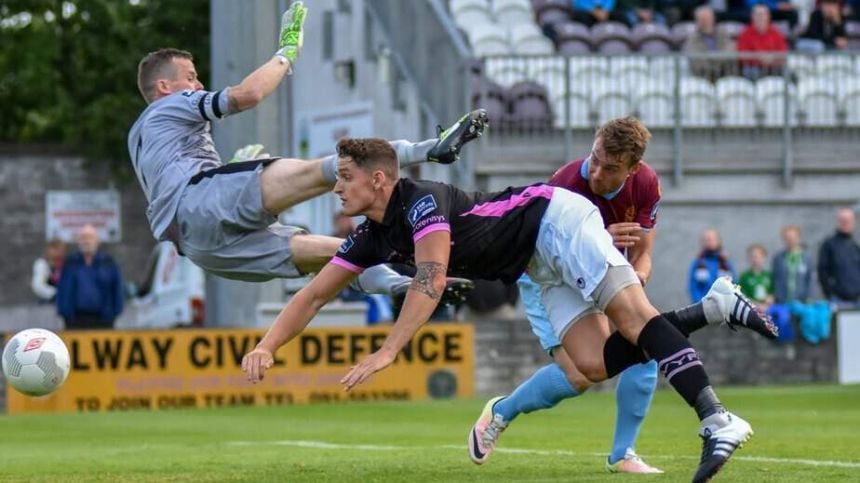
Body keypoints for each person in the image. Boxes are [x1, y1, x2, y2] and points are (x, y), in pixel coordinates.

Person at [243, 138, 765, 483]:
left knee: (632, 317)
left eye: (345, 177)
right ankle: (712, 308)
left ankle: (715, 418)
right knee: (591, 365)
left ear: (378, 180)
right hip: (536, 264)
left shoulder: (420, 199)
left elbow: (431, 278)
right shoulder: (371, 234)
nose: (336, 186)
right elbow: (314, 294)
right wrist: (267, 344)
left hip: (553, 219)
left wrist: (388, 350)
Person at [468, 118, 775, 474]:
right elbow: (550, 250)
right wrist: (596, 240)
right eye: (594, 158)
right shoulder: (566, 184)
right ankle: (502, 411)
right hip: (548, 278)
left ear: (632, 169)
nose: (596, 172)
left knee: (644, 348)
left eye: (610, 167)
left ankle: (623, 453)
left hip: (605, 272)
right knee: (580, 375)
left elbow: (643, 251)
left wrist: (636, 281)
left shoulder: (647, 183)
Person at [128, 2, 481, 301]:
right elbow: (246, 96)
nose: (198, 84)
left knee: (342, 256)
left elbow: (171, 186)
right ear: (164, 86)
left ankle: (403, 286)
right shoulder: (173, 104)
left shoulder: (139, 135)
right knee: (329, 170)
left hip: (200, 248)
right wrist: (285, 53)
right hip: (202, 202)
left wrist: (231, 168)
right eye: (190, 77)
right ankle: (430, 149)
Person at [56, 225, 124, 329]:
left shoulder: (108, 263)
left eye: (90, 237)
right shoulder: (70, 263)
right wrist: (64, 312)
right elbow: (62, 289)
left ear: (97, 241)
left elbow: (117, 289)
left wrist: (115, 313)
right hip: (75, 320)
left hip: (103, 319)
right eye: (83, 238)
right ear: (78, 241)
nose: (86, 241)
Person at [818, 208, 860, 309]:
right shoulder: (829, 245)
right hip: (838, 300)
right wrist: (830, 294)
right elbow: (822, 271)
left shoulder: (855, 246)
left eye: (849, 220)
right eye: (843, 220)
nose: (846, 223)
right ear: (838, 222)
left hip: (857, 300)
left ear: (854, 222)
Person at [737, 5, 789, 80]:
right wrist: (759, 59)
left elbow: (783, 53)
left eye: (763, 14)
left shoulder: (776, 33)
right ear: (752, 17)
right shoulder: (745, 33)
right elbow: (742, 56)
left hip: (773, 66)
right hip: (754, 67)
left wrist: (772, 59)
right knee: (751, 72)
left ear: (768, 16)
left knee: (787, 72)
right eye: (758, 15)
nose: (760, 17)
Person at [685, 6, 736, 80]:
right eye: (702, 19)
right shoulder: (692, 38)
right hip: (703, 75)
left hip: (725, 72)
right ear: (697, 21)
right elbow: (696, 58)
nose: (705, 22)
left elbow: (729, 50)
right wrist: (713, 67)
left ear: (713, 19)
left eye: (707, 19)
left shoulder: (723, 33)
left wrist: (717, 63)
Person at [689, 228, 735, 303]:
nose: (710, 242)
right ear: (702, 242)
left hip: (724, 306)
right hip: (701, 306)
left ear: (719, 241)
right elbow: (693, 287)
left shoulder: (726, 263)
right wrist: (701, 304)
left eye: (712, 239)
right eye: (707, 239)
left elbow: (734, 284)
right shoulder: (698, 263)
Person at [31, 238, 66, 303]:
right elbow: (38, 286)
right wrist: (56, 294)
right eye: (55, 249)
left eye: (60, 249)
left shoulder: (65, 264)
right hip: (48, 301)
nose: (58, 252)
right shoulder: (42, 264)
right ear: (49, 249)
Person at [739, 243, 773, 307]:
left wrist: (770, 299)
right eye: (752, 257)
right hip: (751, 308)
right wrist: (755, 303)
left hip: (768, 309)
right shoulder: (744, 276)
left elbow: (773, 293)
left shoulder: (769, 276)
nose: (755, 260)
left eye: (757, 257)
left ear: (764, 258)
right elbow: (741, 295)